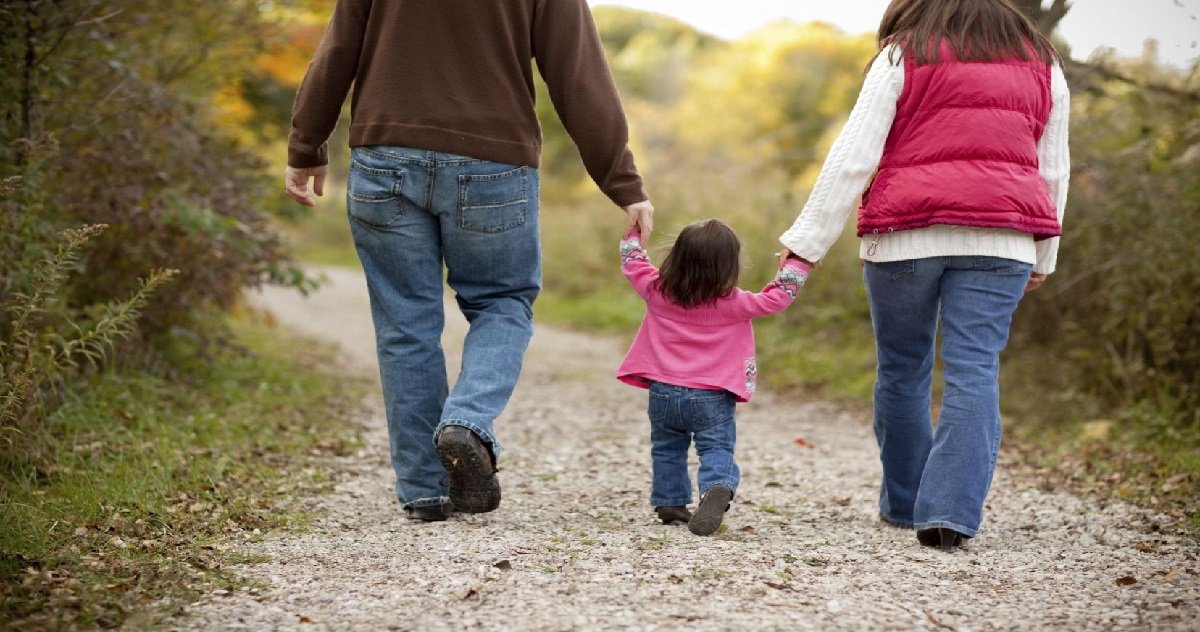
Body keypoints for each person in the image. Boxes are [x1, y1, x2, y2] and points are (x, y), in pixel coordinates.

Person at [284, 0, 655, 522]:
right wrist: (623, 183)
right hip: (495, 164)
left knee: (405, 322)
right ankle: (467, 422)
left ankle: (424, 491)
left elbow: (338, 50)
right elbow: (579, 76)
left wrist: (306, 145)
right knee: (503, 301)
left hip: (384, 156)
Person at [776, 0, 1070, 548]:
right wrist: (1044, 254)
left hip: (904, 238)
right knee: (975, 370)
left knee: (902, 370)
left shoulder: (903, 54)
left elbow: (853, 157)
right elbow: (1054, 165)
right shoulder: (1042, 61)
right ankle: (949, 515)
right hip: (1004, 240)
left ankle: (907, 503)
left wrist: (805, 247)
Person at [617, 220, 810, 535]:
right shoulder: (735, 303)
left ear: (676, 257)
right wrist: (798, 261)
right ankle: (716, 487)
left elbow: (633, 262)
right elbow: (777, 297)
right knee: (716, 447)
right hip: (711, 395)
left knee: (667, 446)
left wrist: (634, 232)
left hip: (663, 391)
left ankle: (670, 502)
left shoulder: (656, 290)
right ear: (730, 266)